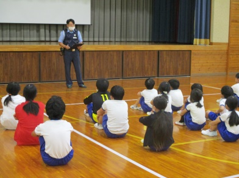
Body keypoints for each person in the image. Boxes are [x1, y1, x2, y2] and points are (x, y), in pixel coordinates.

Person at [32, 96, 74, 166]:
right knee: (66, 136)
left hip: (49, 160)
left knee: (41, 136)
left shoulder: (43, 126)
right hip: (68, 157)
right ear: (63, 111)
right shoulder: (67, 124)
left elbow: (33, 134)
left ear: (47, 111)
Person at [58, 18, 86, 88]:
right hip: (67, 52)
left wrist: (80, 45)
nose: (71, 25)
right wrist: (65, 46)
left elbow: (81, 41)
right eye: (70, 24)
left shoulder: (77, 32)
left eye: (72, 24)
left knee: (78, 68)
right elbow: (60, 42)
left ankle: (80, 83)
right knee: (67, 68)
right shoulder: (63, 32)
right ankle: (69, 83)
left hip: (75, 52)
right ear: (67, 25)